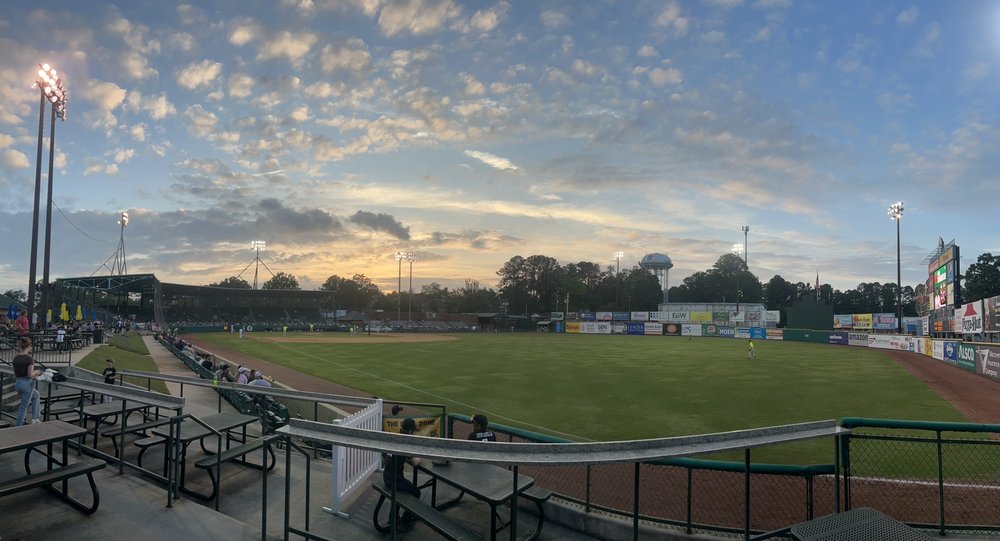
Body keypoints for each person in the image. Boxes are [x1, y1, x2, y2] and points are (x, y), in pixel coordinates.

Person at [382, 417, 421, 527]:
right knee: (417, 493)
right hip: (395, 481)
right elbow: (415, 462)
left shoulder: (394, 438)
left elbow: (385, 457)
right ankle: (404, 523)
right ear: (409, 431)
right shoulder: (404, 443)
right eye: (412, 431)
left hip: (387, 478)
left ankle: (393, 518)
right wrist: (421, 456)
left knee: (402, 490)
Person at [13, 337, 42, 425]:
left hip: (18, 383)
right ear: (29, 346)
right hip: (26, 384)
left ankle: (35, 417)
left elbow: (16, 372)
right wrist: (36, 372)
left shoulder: (16, 358)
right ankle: (18, 428)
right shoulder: (29, 359)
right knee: (23, 407)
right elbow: (30, 375)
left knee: (36, 395)